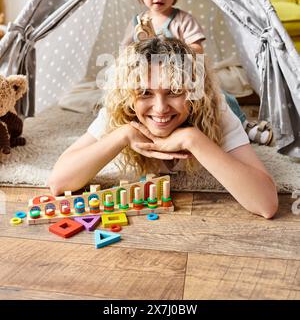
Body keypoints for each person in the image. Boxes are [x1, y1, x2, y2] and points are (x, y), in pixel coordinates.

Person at [48, 37, 278, 219]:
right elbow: (59, 182)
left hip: (226, 102)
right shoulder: (119, 108)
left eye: (174, 91)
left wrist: (192, 139)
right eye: (145, 93)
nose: (160, 108)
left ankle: (247, 126)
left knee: (231, 104)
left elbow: (266, 204)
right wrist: (123, 135)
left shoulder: (214, 109)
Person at [122, 0, 272, 145]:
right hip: (149, 83)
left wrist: (169, 48)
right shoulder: (136, 22)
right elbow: (125, 51)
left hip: (180, 81)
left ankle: (242, 125)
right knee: (126, 97)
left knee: (220, 97)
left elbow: (197, 49)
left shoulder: (182, 20)